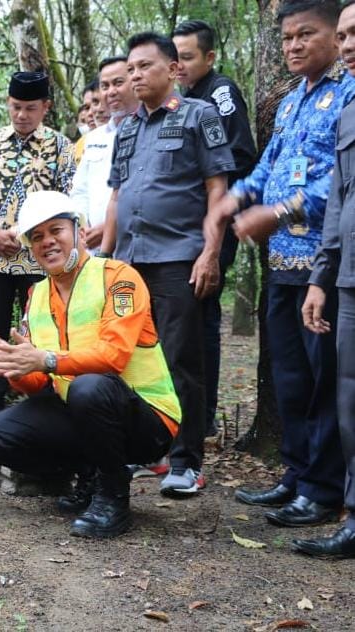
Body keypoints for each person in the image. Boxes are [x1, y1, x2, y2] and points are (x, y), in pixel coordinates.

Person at [0, 191, 180, 539]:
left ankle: (113, 495)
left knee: (90, 385)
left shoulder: (118, 277)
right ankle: (89, 471)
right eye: (37, 237)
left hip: (147, 420)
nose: (47, 242)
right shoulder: (36, 296)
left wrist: (47, 359)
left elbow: (114, 358)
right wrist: (17, 371)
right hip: (82, 410)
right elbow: (39, 383)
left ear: (79, 232)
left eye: (57, 231)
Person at [218, 0, 355, 528]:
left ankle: (323, 491)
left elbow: (339, 185)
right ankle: (296, 475)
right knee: (292, 380)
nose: (294, 46)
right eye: (286, 39)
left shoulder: (348, 93)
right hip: (281, 263)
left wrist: (275, 213)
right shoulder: (294, 100)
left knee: (325, 383)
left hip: (327, 265)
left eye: (306, 35)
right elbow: (270, 166)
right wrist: (233, 200)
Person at [100, 32, 236, 497]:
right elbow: (118, 197)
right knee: (133, 362)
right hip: (129, 265)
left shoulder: (200, 117)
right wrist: (105, 260)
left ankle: (186, 461)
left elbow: (218, 190)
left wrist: (211, 252)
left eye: (144, 66)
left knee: (181, 362)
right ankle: (149, 452)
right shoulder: (127, 128)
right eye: (130, 68)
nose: (135, 75)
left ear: (173, 69)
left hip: (178, 260)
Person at [0, 71, 76, 422]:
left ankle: (42, 400)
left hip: (40, 261)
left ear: (45, 107)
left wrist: (25, 235)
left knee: (42, 329)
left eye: (30, 108)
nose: (22, 115)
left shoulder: (61, 147)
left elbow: (68, 201)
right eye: (15, 107)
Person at [173, 19, 258, 437]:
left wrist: (217, 207)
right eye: (175, 58)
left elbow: (240, 155)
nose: (180, 65)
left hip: (218, 223)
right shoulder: (184, 98)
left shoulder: (221, 93)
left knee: (203, 313)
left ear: (209, 57)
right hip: (186, 227)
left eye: (187, 57)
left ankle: (201, 418)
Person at [296, 0, 355, 558]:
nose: (349, 44)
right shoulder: (349, 114)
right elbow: (339, 202)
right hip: (347, 279)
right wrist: (322, 276)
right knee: (349, 398)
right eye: (345, 34)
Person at [69, 56, 138, 255]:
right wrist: (82, 227)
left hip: (134, 246)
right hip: (92, 249)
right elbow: (80, 190)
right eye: (105, 86)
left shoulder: (149, 130)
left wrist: (109, 226)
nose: (111, 92)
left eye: (118, 83)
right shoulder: (93, 138)